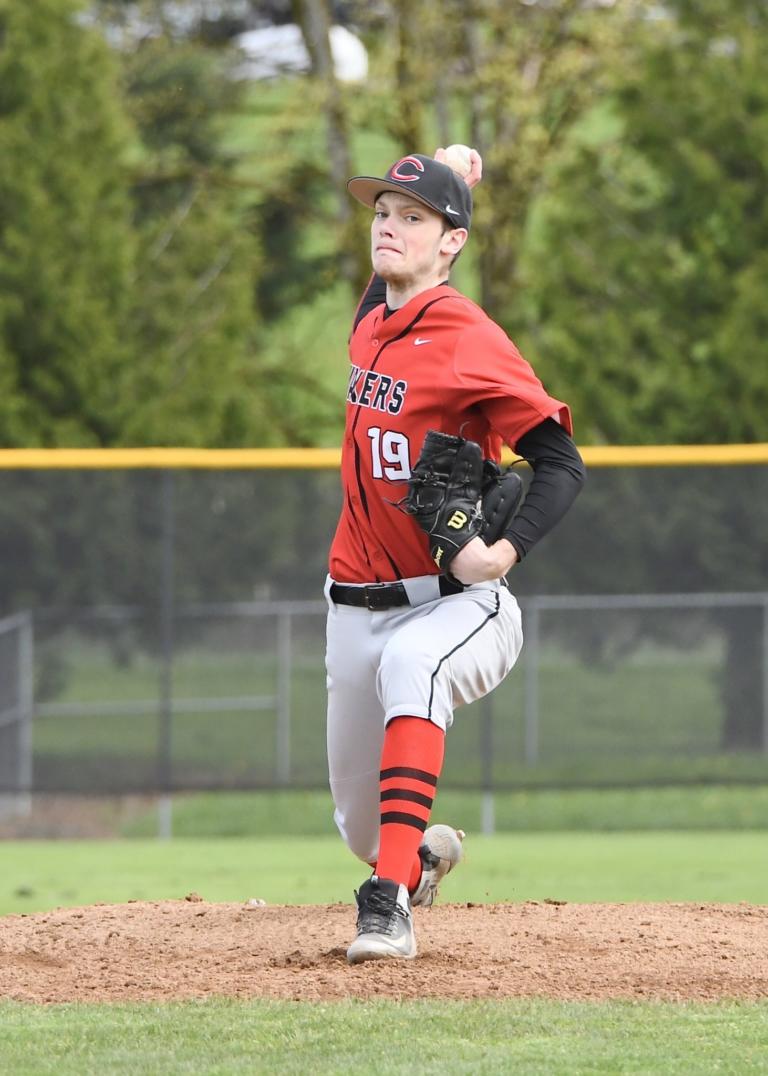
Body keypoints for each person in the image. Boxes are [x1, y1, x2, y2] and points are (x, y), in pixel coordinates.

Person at [325, 150, 586, 964]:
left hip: (456, 602)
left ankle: (386, 909)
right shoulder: (374, 319)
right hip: (350, 600)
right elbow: (385, 285)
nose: (389, 228)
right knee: (361, 829)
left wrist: (499, 553)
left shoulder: (470, 337)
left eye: (413, 217)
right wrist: (442, 171)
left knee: (415, 668)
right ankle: (417, 858)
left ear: (453, 243)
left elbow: (561, 461)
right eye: (382, 214)